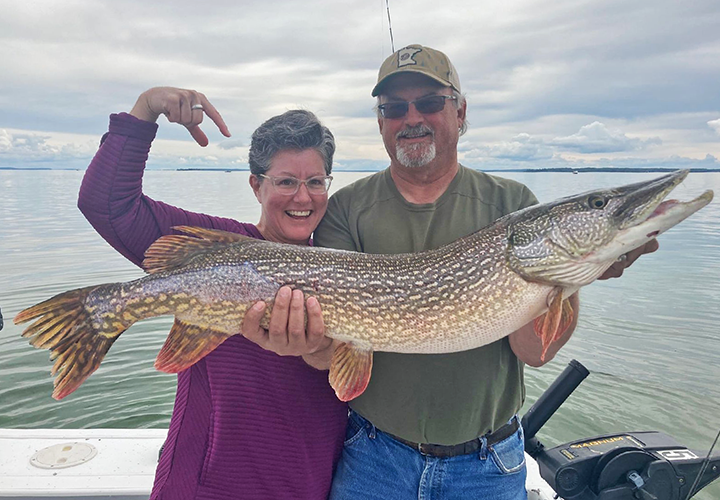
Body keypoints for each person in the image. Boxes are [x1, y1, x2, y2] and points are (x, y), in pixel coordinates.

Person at [242, 45, 658, 499]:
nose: (411, 117)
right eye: (395, 108)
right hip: (373, 456)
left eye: (430, 102)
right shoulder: (345, 208)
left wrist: (571, 277)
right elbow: (333, 351)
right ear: (381, 122)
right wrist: (304, 344)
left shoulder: (511, 203)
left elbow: (533, 352)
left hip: (488, 464)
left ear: (460, 112)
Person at [77, 87, 347, 500]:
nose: (302, 196)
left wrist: (320, 352)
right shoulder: (217, 246)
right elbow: (106, 204)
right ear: (256, 186)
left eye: (315, 181)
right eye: (286, 181)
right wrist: (146, 109)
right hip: (203, 488)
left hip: (306, 487)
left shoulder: (345, 270)